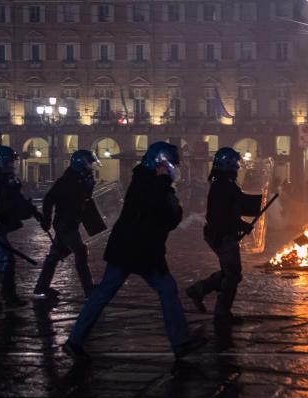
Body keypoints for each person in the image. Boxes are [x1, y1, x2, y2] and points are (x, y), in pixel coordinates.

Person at [63, 141, 203, 368]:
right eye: (170, 165)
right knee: (109, 293)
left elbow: (170, 219)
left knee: (153, 290)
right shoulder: (146, 182)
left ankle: (180, 341)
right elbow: (159, 211)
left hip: (138, 249)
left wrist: (171, 200)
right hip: (134, 249)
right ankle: (180, 342)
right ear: (160, 163)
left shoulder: (155, 183)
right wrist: (167, 190)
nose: (173, 170)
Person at [185, 147, 252, 323]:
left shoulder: (226, 185)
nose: (237, 169)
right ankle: (222, 313)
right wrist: (240, 225)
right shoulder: (222, 187)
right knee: (233, 274)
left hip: (223, 234)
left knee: (229, 272)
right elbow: (220, 215)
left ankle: (199, 290)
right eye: (235, 165)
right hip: (221, 235)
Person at [33, 150, 98, 299]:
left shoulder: (81, 179)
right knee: (80, 251)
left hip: (71, 222)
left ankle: (41, 286)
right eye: (89, 163)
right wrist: (47, 220)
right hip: (65, 222)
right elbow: (49, 200)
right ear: (81, 164)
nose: (91, 166)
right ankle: (89, 289)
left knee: (55, 255)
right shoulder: (66, 181)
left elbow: (85, 200)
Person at [0, 146, 40, 307]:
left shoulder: (5, 177)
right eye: (7, 161)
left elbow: (17, 198)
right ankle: (8, 296)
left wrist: (32, 211)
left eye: (11, 161)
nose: (10, 165)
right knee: (5, 259)